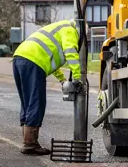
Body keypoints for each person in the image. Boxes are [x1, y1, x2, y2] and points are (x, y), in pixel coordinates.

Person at [12, 19, 81, 155]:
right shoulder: (70, 30)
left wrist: (62, 80)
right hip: (33, 61)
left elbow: (51, 60)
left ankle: (28, 140)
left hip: (19, 57)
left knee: (27, 101)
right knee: (36, 101)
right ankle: (30, 143)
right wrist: (78, 78)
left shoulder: (58, 28)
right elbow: (70, 52)